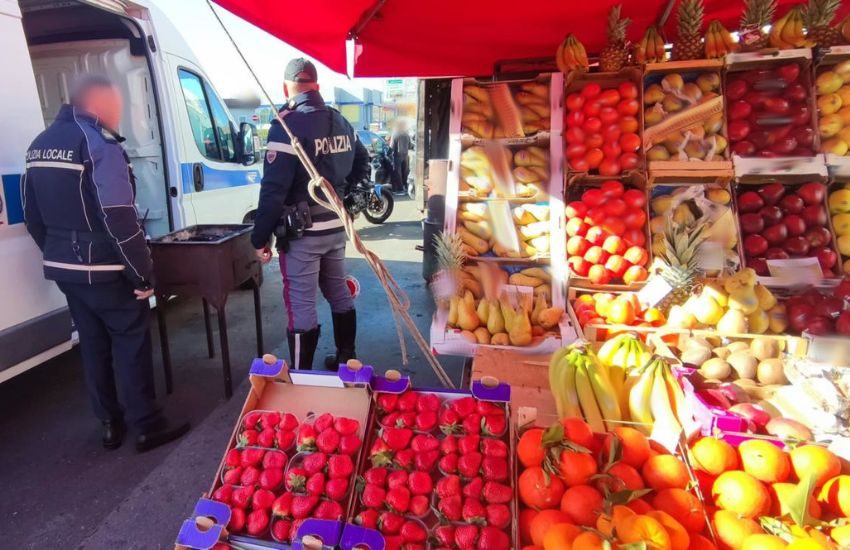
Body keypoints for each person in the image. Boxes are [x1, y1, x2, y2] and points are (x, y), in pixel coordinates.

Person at [22, 74, 189, 452]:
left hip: (66, 269)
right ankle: (147, 425)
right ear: (97, 103)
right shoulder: (98, 144)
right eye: (117, 105)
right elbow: (120, 219)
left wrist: (58, 253)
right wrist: (143, 273)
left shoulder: (39, 145)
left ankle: (110, 423)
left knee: (93, 345)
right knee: (130, 342)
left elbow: (33, 215)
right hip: (107, 270)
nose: (120, 114)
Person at [251, 58, 370, 370]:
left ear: (286, 88)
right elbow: (363, 163)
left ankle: (303, 376)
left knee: (302, 306)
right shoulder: (341, 121)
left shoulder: (286, 125)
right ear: (317, 86)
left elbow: (273, 190)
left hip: (303, 234)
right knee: (338, 292)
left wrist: (259, 238)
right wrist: (341, 197)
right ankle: (348, 360)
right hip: (335, 228)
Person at [390, 119, 413, 196]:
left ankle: (400, 189)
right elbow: (410, 146)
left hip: (397, 156)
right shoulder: (406, 134)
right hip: (406, 156)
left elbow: (391, 147)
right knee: (405, 172)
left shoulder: (395, 134)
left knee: (397, 173)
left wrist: (387, 153)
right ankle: (406, 187)